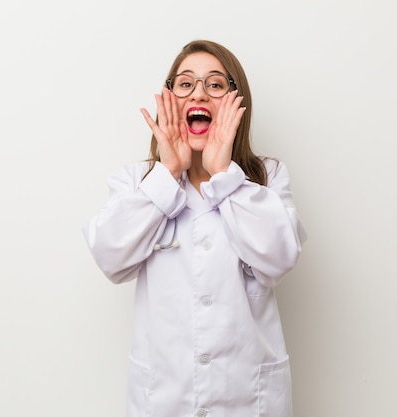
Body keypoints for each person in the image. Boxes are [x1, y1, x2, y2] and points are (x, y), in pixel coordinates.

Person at [83, 39, 307, 417]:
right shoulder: (138, 181)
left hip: (248, 400)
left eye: (216, 84)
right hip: (164, 399)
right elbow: (110, 258)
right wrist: (169, 173)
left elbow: (279, 260)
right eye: (185, 84)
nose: (199, 93)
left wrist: (223, 174)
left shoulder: (266, 178)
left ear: (237, 101)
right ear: (169, 99)